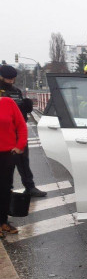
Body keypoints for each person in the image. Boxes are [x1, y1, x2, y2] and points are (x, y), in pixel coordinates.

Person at [0, 65, 46, 197]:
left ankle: (29, 186)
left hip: (18, 133)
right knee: (5, 167)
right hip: (4, 136)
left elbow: (21, 116)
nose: (11, 82)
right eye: (9, 79)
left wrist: (26, 107)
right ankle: (6, 190)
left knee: (23, 161)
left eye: (13, 79)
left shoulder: (16, 91)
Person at [0, 96, 28, 237]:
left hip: (7, 154)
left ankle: (3, 221)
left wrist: (19, 146)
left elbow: (21, 125)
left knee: (5, 189)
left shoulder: (7, 102)